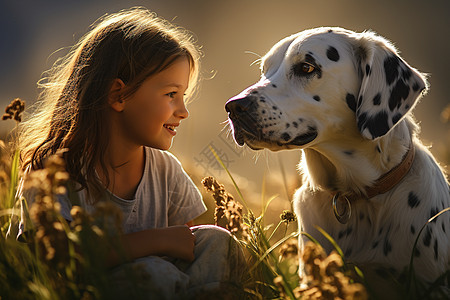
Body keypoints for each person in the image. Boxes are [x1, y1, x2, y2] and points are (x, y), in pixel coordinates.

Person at [14, 7, 245, 299]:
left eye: (183, 96)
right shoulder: (50, 172)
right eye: (171, 94)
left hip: (165, 283)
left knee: (217, 241)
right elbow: (61, 261)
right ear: (118, 95)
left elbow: (186, 247)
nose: (184, 111)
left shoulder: (166, 170)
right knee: (153, 274)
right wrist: (155, 240)